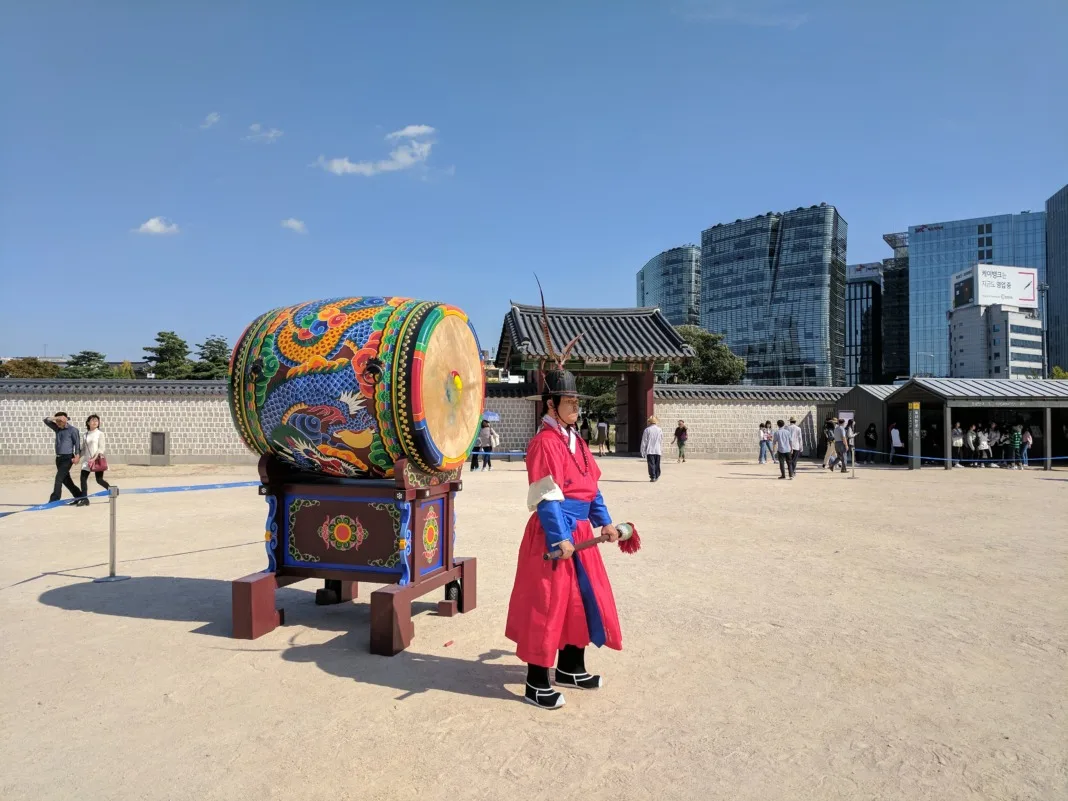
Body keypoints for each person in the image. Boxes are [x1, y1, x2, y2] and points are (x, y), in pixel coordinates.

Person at [505, 350, 622, 710]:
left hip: (583, 531)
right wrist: (559, 538)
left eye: (576, 401)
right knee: (548, 603)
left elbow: (592, 487)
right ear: (551, 404)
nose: (576, 407)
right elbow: (546, 496)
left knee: (581, 600)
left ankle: (571, 667)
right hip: (555, 532)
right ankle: (536, 681)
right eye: (569, 401)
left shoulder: (578, 441)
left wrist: (605, 521)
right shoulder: (543, 443)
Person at [44, 412, 88, 506]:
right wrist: (55, 418)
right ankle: (80, 496)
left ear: (65, 420)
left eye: (60, 421)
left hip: (68, 458)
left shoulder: (73, 430)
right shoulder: (57, 428)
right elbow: (45, 420)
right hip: (58, 458)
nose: (58, 422)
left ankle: (54, 500)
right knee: (66, 480)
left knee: (58, 478)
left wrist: (77, 456)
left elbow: (77, 444)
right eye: (57, 421)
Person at [79, 414, 111, 497]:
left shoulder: (100, 434)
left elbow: (101, 448)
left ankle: (113, 490)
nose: (95, 422)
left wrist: (94, 459)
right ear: (88, 423)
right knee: (83, 479)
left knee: (99, 480)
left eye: (96, 420)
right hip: (87, 461)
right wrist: (77, 457)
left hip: (97, 460)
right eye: (92, 420)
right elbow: (83, 449)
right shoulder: (85, 435)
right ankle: (84, 499)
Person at [640, 416, 664, 482]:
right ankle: (656, 475)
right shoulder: (659, 430)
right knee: (657, 464)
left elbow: (644, 441)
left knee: (651, 464)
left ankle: (653, 476)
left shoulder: (647, 430)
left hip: (650, 450)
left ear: (649, 422)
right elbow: (661, 440)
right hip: (657, 450)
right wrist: (661, 449)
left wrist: (642, 450)